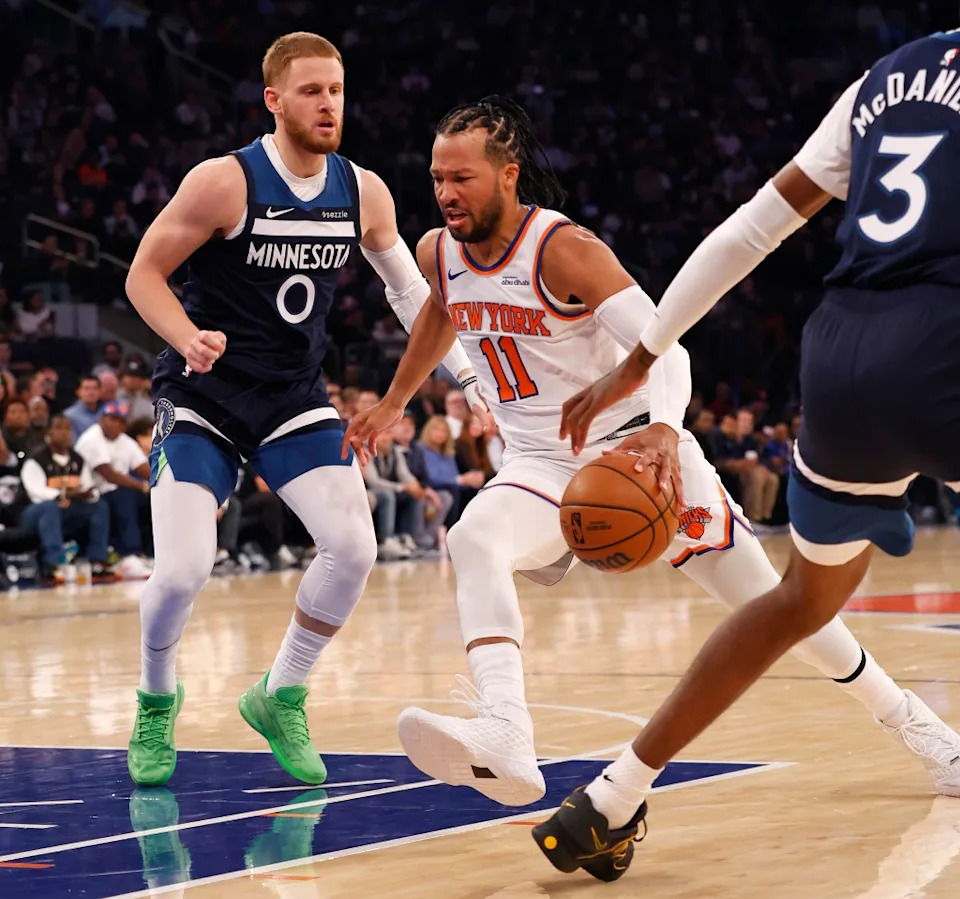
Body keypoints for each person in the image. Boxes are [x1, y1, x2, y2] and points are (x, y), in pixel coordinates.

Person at [343, 96, 960, 845]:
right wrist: (395, 400)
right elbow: (442, 310)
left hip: (636, 456)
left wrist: (666, 433)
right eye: (437, 177)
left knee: (789, 613)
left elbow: (668, 346)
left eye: (462, 177)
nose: (445, 192)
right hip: (540, 464)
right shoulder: (440, 249)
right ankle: (505, 729)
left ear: (508, 174)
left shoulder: (562, 250)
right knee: (473, 538)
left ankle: (920, 726)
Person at [541, 29, 960, 879]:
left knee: (800, 599)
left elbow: (750, 231)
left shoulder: (890, 74)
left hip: (840, 353)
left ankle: (612, 796)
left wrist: (647, 349)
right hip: (942, 333)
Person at [122, 31, 483, 788]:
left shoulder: (365, 191)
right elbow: (144, 275)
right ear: (274, 100)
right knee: (184, 569)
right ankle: (156, 700)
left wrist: (470, 379)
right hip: (204, 396)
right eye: (313, 90)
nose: (328, 104)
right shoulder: (225, 182)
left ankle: (280, 691)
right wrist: (187, 337)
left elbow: (414, 295)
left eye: (337, 90)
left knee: (353, 547)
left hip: (291, 397)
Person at [20, 415, 116, 585]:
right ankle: (55, 563)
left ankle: (96, 561)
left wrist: (88, 494)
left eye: (67, 429)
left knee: (99, 506)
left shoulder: (77, 459)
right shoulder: (36, 460)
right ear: (49, 432)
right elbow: (36, 492)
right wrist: (64, 495)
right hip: (35, 514)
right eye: (59, 428)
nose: (64, 433)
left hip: (68, 511)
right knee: (49, 507)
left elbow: (87, 486)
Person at [74, 401, 153, 579]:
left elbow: (145, 469)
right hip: (92, 495)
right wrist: (141, 486)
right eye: (112, 419)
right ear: (102, 419)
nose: (116, 424)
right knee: (125, 496)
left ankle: (150, 554)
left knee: (156, 499)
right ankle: (129, 555)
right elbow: (109, 475)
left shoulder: (125, 441)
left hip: (119, 493)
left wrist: (161, 485)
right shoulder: (92, 438)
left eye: (121, 421)